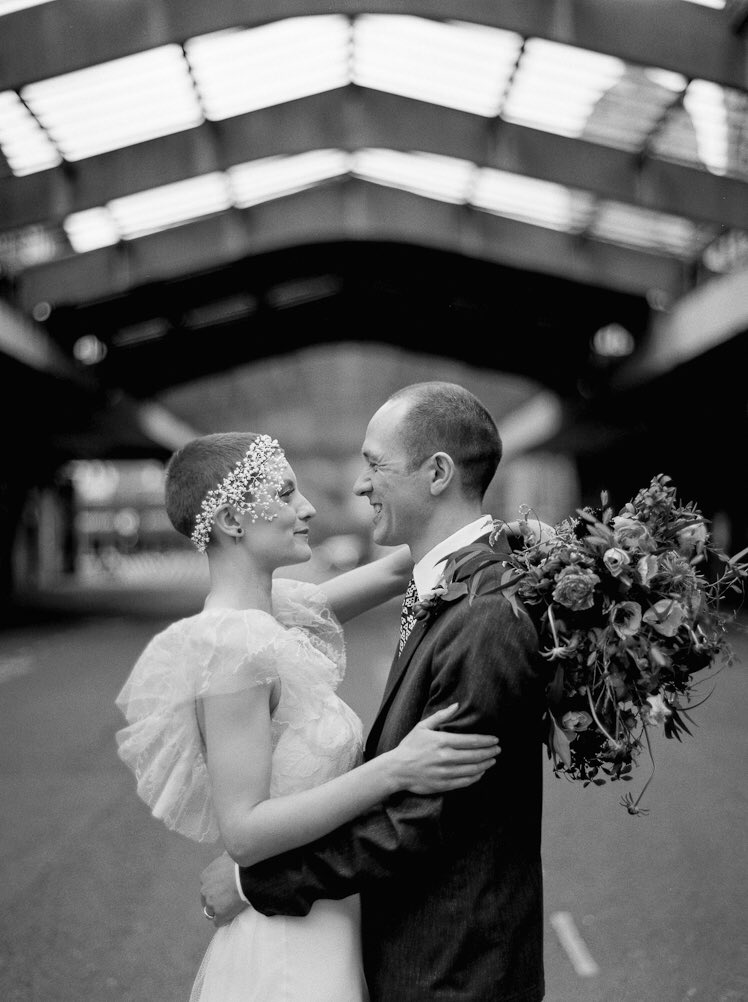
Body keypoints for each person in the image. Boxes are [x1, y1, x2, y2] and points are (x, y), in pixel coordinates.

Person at [115, 430, 501, 1002]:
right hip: (290, 949)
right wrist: (396, 769)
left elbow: (408, 567)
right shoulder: (230, 649)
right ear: (232, 520)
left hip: (329, 918)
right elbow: (243, 834)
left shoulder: (278, 613)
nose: (309, 508)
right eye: (287, 492)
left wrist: (527, 537)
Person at [202, 383, 547, 1002]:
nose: (357, 485)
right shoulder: (453, 581)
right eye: (286, 493)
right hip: (402, 948)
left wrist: (259, 885)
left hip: (454, 969)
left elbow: (426, 818)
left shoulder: (486, 613)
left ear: (438, 472)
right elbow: (394, 572)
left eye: (374, 463)